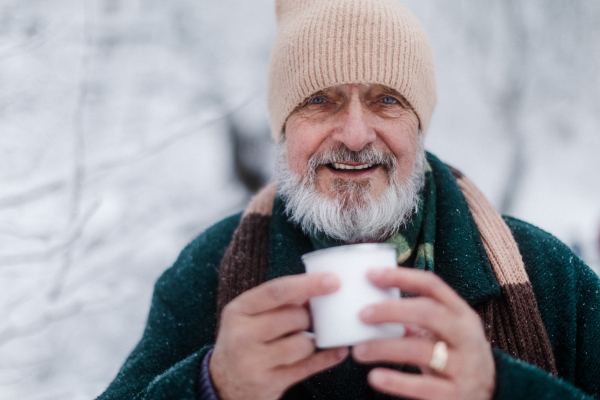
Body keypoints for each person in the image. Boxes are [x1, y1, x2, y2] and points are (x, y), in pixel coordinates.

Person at [97, 0, 600, 399]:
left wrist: (502, 388)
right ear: (284, 129)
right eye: (320, 100)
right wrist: (213, 385)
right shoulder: (208, 270)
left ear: (418, 125)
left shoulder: (543, 273)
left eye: (387, 100)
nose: (357, 135)